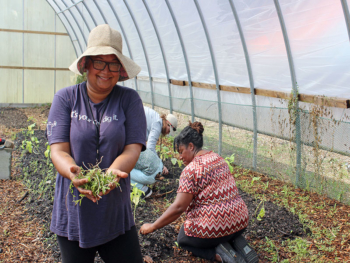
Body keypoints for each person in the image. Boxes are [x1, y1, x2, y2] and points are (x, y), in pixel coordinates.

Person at [46, 24, 146, 263]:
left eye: (113, 64)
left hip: (115, 212)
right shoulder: (66, 98)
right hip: (73, 210)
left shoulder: (128, 100)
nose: (106, 71)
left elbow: (132, 148)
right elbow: (58, 150)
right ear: (87, 64)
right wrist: (73, 174)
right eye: (99, 62)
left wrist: (113, 172)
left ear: (120, 69)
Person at [140, 122, 259, 263]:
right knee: (224, 229)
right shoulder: (218, 158)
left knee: (183, 238)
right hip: (240, 222)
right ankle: (238, 244)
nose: (180, 156)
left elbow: (179, 207)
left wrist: (153, 226)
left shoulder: (191, 170)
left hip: (216, 227)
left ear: (191, 146)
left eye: (181, 151)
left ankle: (220, 255)